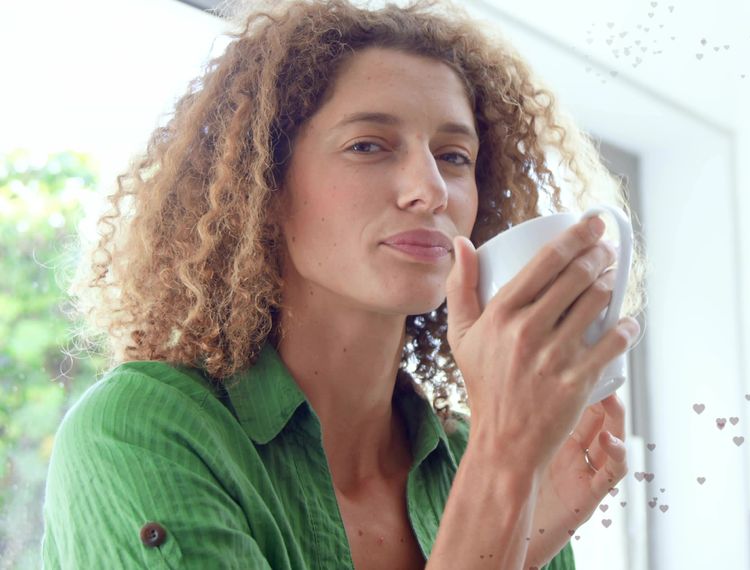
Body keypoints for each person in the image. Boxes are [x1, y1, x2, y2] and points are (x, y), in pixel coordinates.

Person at [43, 0, 647, 567]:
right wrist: (506, 468)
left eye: (454, 156)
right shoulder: (142, 431)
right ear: (264, 187)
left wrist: (528, 530)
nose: (431, 188)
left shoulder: (477, 457)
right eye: (368, 145)